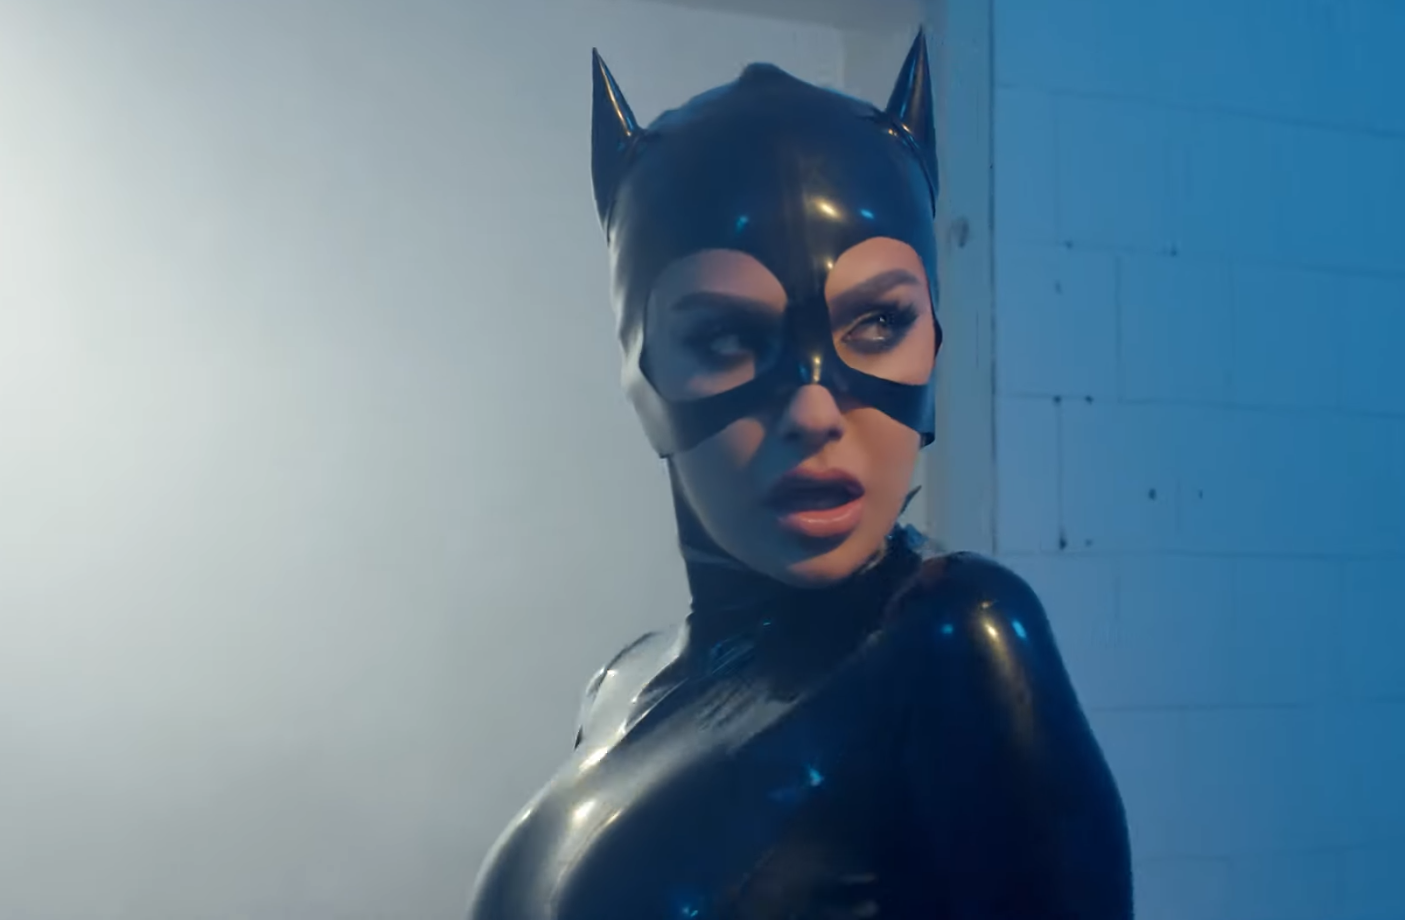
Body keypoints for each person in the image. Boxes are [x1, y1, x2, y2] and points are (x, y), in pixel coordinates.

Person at [466, 32, 1132, 919]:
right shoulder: (620, 686)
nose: (814, 411)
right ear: (641, 374)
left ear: (935, 342)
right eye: (726, 336)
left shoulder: (950, 645)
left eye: (878, 321)